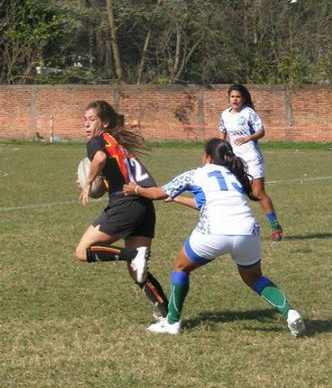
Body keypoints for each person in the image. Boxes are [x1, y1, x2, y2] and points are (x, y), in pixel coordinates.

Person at [122, 138, 305, 336]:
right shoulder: (233, 176)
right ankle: (290, 313)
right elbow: (203, 203)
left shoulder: (196, 174)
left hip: (214, 231)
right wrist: (178, 199)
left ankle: (172, 322)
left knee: (181, 268)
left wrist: (136, 189)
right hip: (247, 231)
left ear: (207, 157)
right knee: (254, 278)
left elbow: (157, 193)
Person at [75, 100, 169, 318]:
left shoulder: (97, 142)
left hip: (126, 203)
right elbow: (119, 174)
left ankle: (133, 254)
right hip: (144, 205)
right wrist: (101, 182)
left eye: (92, 120)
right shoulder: (117, 143)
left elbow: (99, 158)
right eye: (85, 120)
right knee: (136, 270)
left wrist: (89, 182)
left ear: (105, 122)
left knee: (82, 251)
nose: (86, 125)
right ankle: (167, 314)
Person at [219, 84, 283, 241]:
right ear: (229, 98)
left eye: (238, 97)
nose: (235, 99)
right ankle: (237, 228)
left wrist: (248, 137)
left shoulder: (249, 113)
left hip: (252, 158)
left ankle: (276, 228)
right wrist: (222, 151)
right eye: (232, 96)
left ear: (244, 98)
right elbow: (222, 134)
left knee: (258, 193)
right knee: (234, 193)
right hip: (235, 160)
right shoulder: (225, 115)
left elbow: (261, 131)